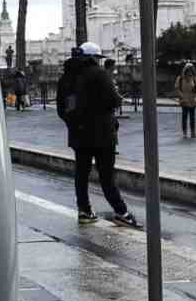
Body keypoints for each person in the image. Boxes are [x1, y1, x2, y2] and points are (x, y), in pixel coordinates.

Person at [56, 42, 138, 228]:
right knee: (107, 176)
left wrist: (74, 123)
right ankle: (121, 212)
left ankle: (84, 211)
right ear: (93, 58)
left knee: (81, 175)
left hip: (78, 134)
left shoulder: (66, 78)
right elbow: (113, 100)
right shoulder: (100, 74)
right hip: (102, 134)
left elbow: (61, 109)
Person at [178, 61, 196, 139]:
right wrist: (183, 98)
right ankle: (184, 134)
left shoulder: (194, 79)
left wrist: (195, 98)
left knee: (192, 117)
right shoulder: (180, 79)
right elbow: (178, 90)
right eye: (188, 70)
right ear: (185, 70)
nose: (190, 72)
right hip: (184, 101)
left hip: (192, 101)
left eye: (191, 70)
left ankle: (193, 133)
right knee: (184, 117)